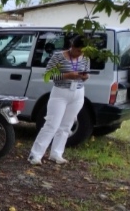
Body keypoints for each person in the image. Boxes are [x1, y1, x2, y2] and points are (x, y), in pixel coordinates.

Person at [29, 35, 90, 165]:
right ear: (72, 46)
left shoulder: (85, 58)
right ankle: (35, 154)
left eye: (82, 51)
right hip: (60, 93)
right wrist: (67, 75)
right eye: (78, 50)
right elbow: (48, 75)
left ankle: (56, 153)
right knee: (52, 124)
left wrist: (84, 77)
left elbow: (85, 73)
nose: (80, 54)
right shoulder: (58, 56)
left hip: (78, 92)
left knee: (67, 125)